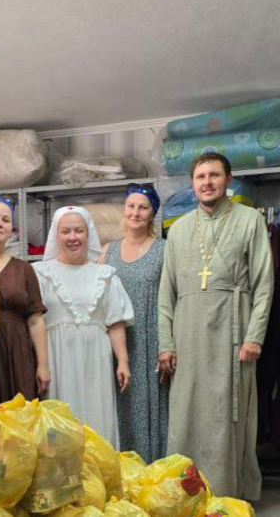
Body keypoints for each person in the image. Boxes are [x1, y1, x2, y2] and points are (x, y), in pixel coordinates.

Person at [158, 152, 274, 499]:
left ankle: (225, 496)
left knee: (227, 415)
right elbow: (167, 292)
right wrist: (166, 343)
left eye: (214, 175)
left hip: (232, 330)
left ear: (228, 180)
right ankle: (185, 497)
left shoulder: (250, 219)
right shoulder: (178, 230)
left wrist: (254, 337)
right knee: (186, 413)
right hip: (187, 332)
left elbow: (264, 283)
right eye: (200, 177)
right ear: (193, 184)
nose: (207, 182)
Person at [34, 206, 133, 448]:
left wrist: (122, 361)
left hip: (95, 362)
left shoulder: (105, 275)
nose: (73, 237)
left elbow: (114, 322)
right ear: (56, 236)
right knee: (60, 428)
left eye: (79, 231)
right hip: (57, 359)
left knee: (96, 423)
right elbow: (34, 322)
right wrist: (40, 364)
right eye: (66, 231)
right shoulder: (39, 273)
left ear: (88, 235)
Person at [99, 184, 168, 462]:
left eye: (143, 207)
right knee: (119, 405)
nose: (135, 213)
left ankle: (151, 470)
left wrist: (168, 345)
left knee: (151, 407)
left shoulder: (164, 249)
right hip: (115, 342)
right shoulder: (108, 251)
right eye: (131, 206)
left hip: (150, 340)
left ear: (152, 214)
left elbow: (172, 298)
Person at [0, 192, 50, 404]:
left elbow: (36, 320)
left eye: (5, 219)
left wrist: (43, 364)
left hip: (17, 354)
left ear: (11, 228)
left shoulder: (24, 269)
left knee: (19, 415)